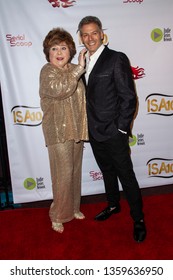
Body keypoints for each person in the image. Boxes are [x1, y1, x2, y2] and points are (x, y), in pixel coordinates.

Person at [78, 16, 147, 242]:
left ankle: (138, 219)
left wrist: (121, 129)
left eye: (94, 33)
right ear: (81, 37)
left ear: (102, 34)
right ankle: (113, 205)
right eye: (85, 34)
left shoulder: (116, 59)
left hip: (114, 132)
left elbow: (128, 98)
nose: (90, 38)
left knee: (126, 176)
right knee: (107, 172)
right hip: (95, 131)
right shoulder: (82, 62)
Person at [39, 27, 88, 233]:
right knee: (63, 174)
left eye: (63, 48)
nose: (59, 52)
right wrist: (79, 68)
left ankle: (73, 208)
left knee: (75, 171)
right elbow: (60, 90)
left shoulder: (73, 70)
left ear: (70, 51)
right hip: (57, 131)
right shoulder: (47, 71)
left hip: (75, 129)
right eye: (54, 49)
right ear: (48, 53)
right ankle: (58, 214)